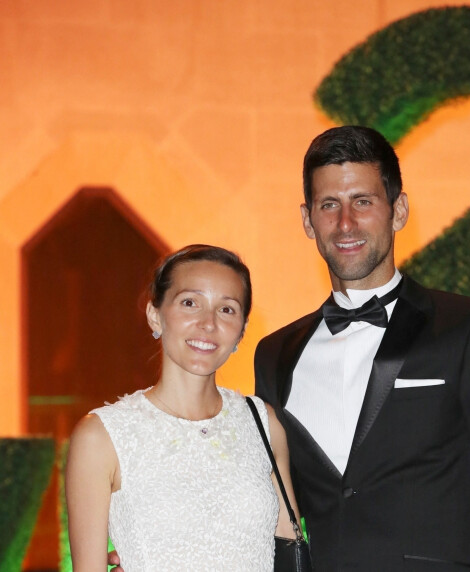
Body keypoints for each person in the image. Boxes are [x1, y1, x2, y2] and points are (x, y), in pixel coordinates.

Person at [254, 126, 470, 571]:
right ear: (307, 219)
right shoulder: (275, 353)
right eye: (329, 205)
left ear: (398, 210)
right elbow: (270, 501)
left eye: (363, 201)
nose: (345, 223)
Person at [66, 244, 300, 571]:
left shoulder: (262, 423)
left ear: (241, 332)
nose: (208, 323)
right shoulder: (101, 436)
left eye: (227, 309)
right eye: (190, 303)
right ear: (155, 315)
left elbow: (289, 548)